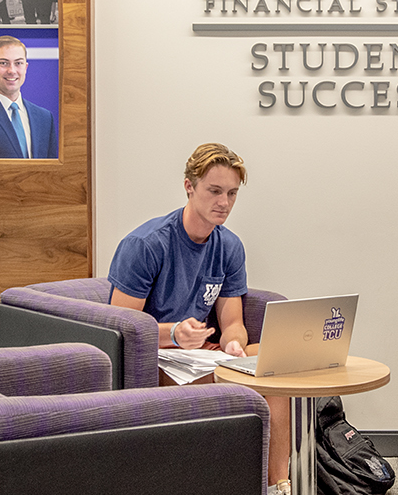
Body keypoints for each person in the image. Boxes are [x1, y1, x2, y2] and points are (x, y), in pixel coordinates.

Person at [106, 143, 292, 495]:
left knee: (274, 370)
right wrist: (174, 333)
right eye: (215, 191)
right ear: (189, 187)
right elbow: (121, 326)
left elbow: (232, 320)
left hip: (201, 355)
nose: (224, 202)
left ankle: (277, 486)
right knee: (243, 385)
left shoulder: (229, 246)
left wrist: (234, 342)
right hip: (154, 358)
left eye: (232, 193)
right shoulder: (146, 244)